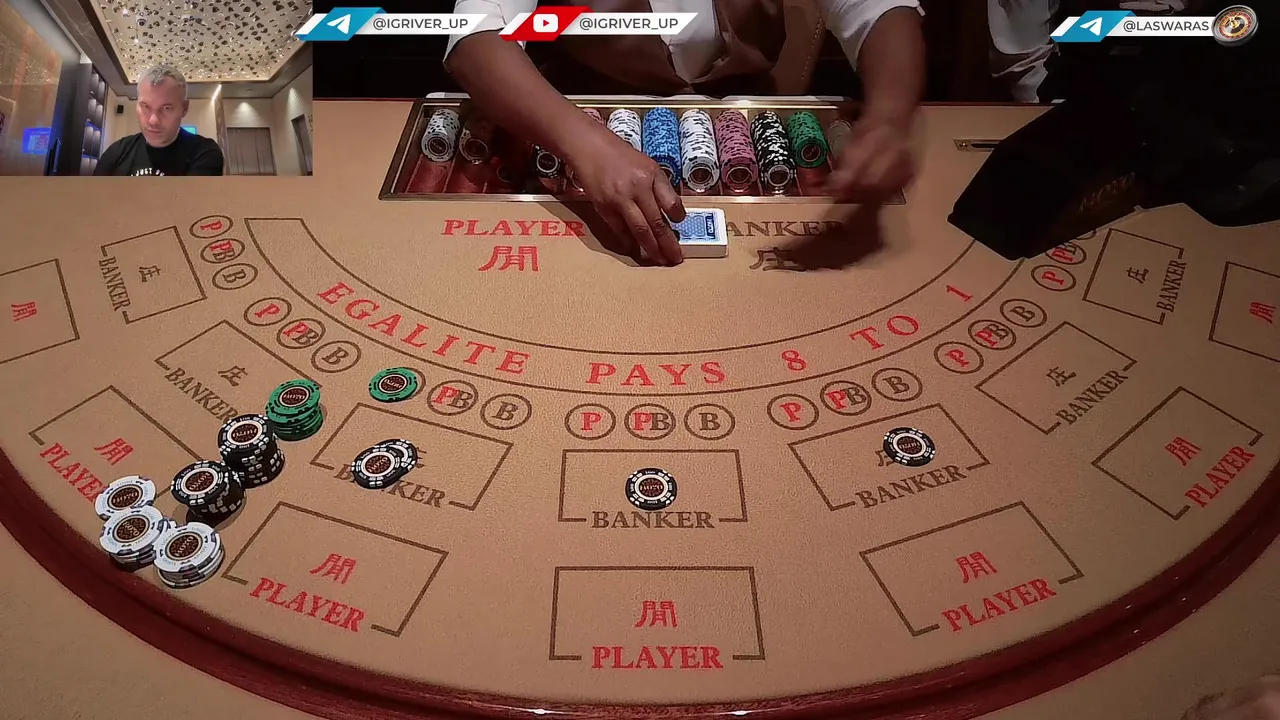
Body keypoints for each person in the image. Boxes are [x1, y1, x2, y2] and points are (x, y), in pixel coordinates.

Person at [444, 0, 926, 265]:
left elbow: (877, 8)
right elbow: (475, 36)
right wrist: (586, 144)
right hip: (583, 126)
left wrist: (888, 118)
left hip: (740, 126)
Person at [95, 65, 224, 177]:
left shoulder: (204, 153)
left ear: (184, 108)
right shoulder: (117, 152)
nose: (153, 120)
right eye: (146, 106)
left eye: (166, 108)